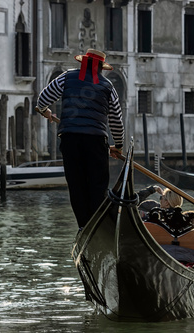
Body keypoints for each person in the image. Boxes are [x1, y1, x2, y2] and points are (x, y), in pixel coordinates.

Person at [36, 49, 124, 230]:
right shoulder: (108, 86)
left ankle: (84, 227)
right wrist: (119, 145)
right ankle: (96, 227)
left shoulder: (67, 77)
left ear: (83, 63)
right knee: (97, 185)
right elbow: (116, 120)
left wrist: (45, 111)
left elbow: (43, 98)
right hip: (96, 141)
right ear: (100, 67)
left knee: (77, 185)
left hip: (70, 139)